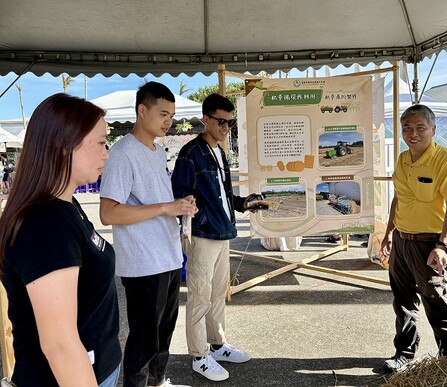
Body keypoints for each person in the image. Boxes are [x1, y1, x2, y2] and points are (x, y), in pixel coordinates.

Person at [0, 93, 121, 386]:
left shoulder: (66, 206)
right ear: (65, 146)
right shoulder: (45, 223)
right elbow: (61, 347)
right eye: (102, 142)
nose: (108, 153)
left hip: (99, 368)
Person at [99, 81, 197, 387]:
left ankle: (158, 381)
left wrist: (179, 206)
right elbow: (108, 213)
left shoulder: (156, 151)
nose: (169, 120)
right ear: (142, 111)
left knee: (164, 334)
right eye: (163, 113)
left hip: (167, 256)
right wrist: (165, 208)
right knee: (144, 339)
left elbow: (157, 200)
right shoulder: (122, 153)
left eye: (172, 114)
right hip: (142, 263)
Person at [172, 93, 263, 382]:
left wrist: (242, 203)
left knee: (216, 294)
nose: (226, 127)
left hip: (222, 233)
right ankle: (199, 355)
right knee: (199, 296)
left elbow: (222, 196)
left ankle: (218, 345)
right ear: (206, 120)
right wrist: (194, 216)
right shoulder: (190, 153)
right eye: (221, 122)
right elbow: (179, 195)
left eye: (230, 122)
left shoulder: (220, 152)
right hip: (201, 235)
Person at [379, 104, 447, 372]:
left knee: (437, 301)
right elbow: (399, 198)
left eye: (420, 128)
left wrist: (443, 246)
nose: (412, 133)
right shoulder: (403, 159)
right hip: (402, 242)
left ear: (433, 130)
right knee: (403, 301)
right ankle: (404, 354)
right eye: (407, 128)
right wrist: (389, 233)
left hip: (430, 243)